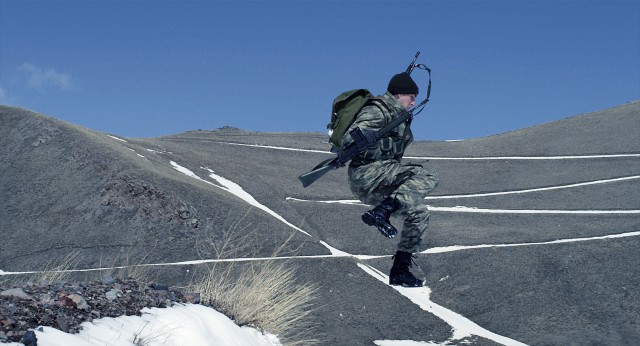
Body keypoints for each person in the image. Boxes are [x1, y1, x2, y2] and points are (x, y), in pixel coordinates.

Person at [341, 72, 439, 287]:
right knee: (426, 175)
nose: (413, 102)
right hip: (367, 174)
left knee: (419, 213)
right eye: (411, 97)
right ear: (398, 95)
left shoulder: (398, 117)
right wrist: (365, 137)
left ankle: (400, 270)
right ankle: (382, 211)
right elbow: (349, 138)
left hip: (380, 179)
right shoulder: (378, 110)